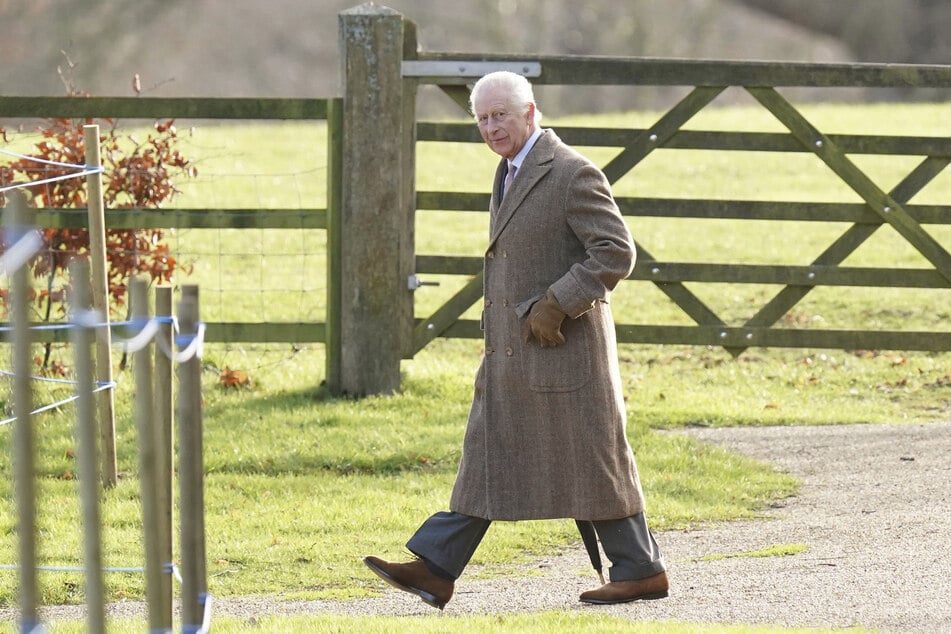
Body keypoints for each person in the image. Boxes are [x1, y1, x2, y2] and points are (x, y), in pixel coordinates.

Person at [364, 70, 667, 609]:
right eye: (481, 118)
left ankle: (640, 570)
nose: (490, 126)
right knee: (490, 451)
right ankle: (436, 569)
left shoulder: (572, 172)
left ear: (531, 112)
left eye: (500, 114)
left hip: (564, 351)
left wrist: (557, 304)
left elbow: (616, 251)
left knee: (593, 460)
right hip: (513, 353)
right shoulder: (508, 171)